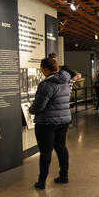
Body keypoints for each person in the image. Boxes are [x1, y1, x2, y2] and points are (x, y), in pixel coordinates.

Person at [29, 57, 71, 190]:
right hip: (63, 120)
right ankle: (64, 176)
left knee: (45, 152)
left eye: (42, 69)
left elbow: (38, 107)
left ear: (46, 69)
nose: (42, 71)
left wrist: (30, 109)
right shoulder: (64, 81)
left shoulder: (46, 85)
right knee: (61, 148)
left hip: (47, 123)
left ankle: (41, 181)